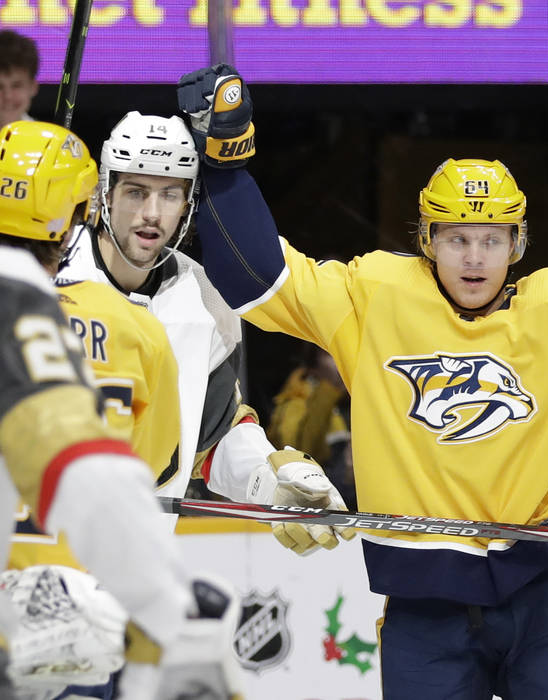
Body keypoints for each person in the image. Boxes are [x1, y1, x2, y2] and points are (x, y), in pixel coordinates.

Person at [174, 64, 548, 699]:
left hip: (544, 592)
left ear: (517, 244)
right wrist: (226, 166)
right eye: (456, 239)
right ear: (427, 239)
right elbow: (259, 278)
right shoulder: (375, 297)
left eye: (491, 239)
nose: (474, 257)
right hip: (424, 606)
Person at [0, 119, 242, 699]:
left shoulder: (186, 303)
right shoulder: (78, 319)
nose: (150, 212)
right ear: (90, 204)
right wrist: (165, 609)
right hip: (65, 596)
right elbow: (107, 472)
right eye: (134, 190)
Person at [59, 110, 349, 545]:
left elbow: (211, 438)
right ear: (106, 194)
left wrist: (271, 480)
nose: (152, 214)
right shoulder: (44, 275)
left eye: (170, 195)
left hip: (133, 562)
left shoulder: (204, 297)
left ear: (188, 205)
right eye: (136, 192)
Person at [267, 345, 355, 507]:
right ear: (314, 362)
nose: (339, 361)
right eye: (330, 355)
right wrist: (328, 391)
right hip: (315, 492)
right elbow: (298, 452)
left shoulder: (349, 399)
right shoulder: (294, 401)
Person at [0, 31, 37, 129]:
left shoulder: (53, 143)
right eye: (0, 87)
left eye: (16, 86)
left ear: (33, 87)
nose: (8, 96)